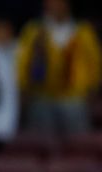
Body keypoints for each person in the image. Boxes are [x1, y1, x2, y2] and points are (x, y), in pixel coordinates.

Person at [16, 0, 102, 135]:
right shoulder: (34, 30)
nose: (55, 5)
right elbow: (22, 62)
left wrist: (93, 88)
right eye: (51, 2)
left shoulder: (83, 31)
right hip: (42, 96)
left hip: (74, 98)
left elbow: (95, 62)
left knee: (77, 145)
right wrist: (23, 88)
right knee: (41, 143)